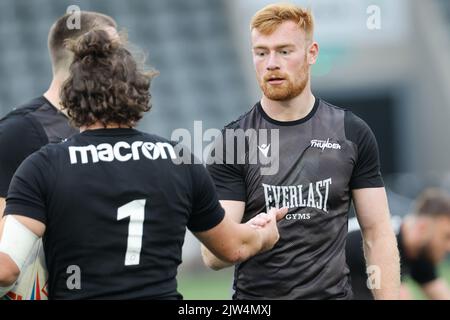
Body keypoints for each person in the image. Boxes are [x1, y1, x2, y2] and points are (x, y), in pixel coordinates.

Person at [0, 29, 287, 300]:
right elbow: (233, 247)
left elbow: (7, 269)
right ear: (136, 91)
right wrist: (262, 232)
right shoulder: (178, 159)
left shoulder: (42, 166)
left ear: (71, 97)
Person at [201, 3, 400, 300]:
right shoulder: (233, 140)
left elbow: (378, 234)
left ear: (311, 53)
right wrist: (253, 237)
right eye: (261, 52)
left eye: (284, 51)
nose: (271, 63)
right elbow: (213, 256)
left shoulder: (352, 132)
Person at [0, 11, 118, 300]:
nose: (122, 63)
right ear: (77, 55)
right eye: (111, 53)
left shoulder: (112, 126)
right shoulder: (18, 133)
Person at [347, 188, 450, 300]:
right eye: (446, 236)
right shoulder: (376, 241)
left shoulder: (418, 252)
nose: (448, 247)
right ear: (422, 227)